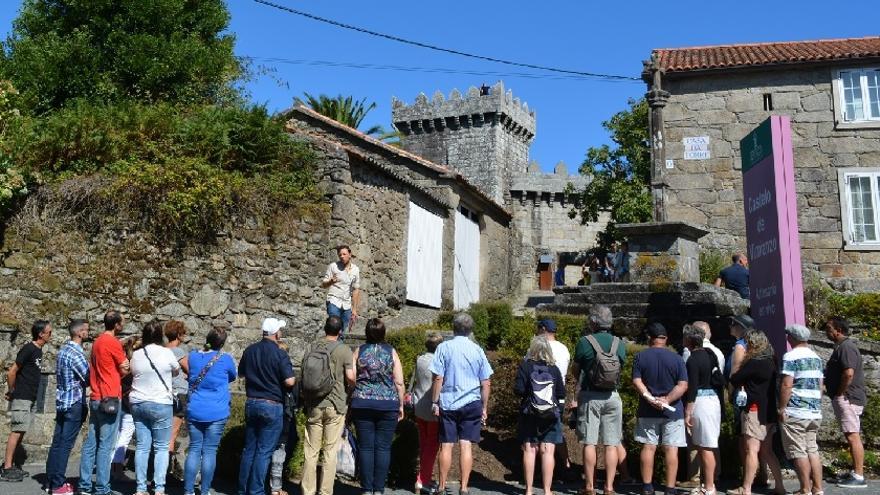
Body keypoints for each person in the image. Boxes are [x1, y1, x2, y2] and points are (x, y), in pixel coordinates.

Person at [430, 313, 493, 495]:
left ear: (453, 327)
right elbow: (486, 382)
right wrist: (484, 407)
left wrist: (435, 401)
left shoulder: (443, 348)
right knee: (466, 445)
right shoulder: (477, 350)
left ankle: (441, 486)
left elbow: (438, 377)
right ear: (470, 329)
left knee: (447, 445)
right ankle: (464, 487)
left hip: (449, 402)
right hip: (472, 402)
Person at [569, 305, 626, 495]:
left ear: (593, 321)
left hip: (590, 396)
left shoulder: (585, 342)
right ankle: (609, 487)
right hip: (613, 396)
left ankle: (589, 487)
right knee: (611, 443)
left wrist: (582, 379)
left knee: (589, 441)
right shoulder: (619, 343)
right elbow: (620, 369)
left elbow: (576, 369)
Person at [237, 317, 296, 495]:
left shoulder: (250, 350)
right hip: (271, 404)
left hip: (252, 402)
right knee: (264, 452)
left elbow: (241, 374)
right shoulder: (280, 353)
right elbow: (290, 381)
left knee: (249, 450)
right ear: (275, 333)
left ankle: (243, 490)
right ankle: (256, 491)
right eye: (280, 330)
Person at [631, 322, 688, 495]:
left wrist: (649, 397)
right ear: (665, 339)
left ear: (650, 338)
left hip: (648, 409)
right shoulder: (677, 358)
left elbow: (636, 380)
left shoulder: (641, 356)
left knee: (649, 447)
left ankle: (647, 487)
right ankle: (670, 488)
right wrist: (667, 400)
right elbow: (683, 384)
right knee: (671, 448)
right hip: (673, 410)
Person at [350, 318, 406, 495]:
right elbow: (399, 381)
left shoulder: (359, 351)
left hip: (362, 402)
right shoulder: (391, 352)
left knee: (365, 447)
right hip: (387, 403)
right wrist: (401, 404)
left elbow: (351, 377)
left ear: (366, 332)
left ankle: (367, 489)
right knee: (383, 448)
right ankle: (379, 489)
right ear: (383, 333)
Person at [300, 316, 355, 495]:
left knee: (311, 451)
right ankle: (325, 492)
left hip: (314, 403)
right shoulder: (344, 350)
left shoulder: (312, 347)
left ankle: (307, 491)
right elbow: (351, 377)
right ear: (340, 331)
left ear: (324, 329)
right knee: (330, 451)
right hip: (336, 405)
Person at [79, 310, 130, 495]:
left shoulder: (97, 342)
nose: (123, 325)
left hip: (96, 396)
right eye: (122, 322)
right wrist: (124, 368)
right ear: (116, 325)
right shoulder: (114, 343)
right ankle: (101, 488)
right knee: (106, 445)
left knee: (91, 442)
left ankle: (84, 486)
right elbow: (125, 368)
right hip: (110, 397)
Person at [728, 331, 784, 495]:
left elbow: (735, 379)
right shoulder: (772, 362)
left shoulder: (754, 362)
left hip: (754, 410)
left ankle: (746, 489)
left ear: (753, 344)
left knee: (751, 450)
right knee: (767, 451)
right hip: (769, 411)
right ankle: (780, 486)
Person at [129, 320, 181, 495]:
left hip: (138, 402)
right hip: (160, 402)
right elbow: (176, 370)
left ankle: (140, 487)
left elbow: (133, 371)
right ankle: (159, 488)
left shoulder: (136, 354)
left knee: (142, 447)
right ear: (161, 335)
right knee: (160, 447)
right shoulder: (166, 353)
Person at [183, 327, 237, 495]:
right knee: (209, 451)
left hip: (195, 409)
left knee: (194, 449)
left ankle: (188, 490)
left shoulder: (193, 356)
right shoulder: (225, 359)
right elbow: (233, 376)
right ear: (222, 343)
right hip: (217, 411)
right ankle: (205, 491)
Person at [1, 320, 51, 482]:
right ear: (40, 334)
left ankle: (12, 464)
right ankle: (6, 468)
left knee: (21, 431)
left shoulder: (38, 351)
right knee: (16, 431)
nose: (51, 335)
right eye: (49, 332)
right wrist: (12, 390)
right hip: (22, 396)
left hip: (30, 397)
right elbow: (12, 372)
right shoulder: (29, 349)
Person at [514, 336, 565, 495]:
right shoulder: (554, 368)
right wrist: (560, 412)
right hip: (550, 415)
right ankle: (547, 490)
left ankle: (528, 490)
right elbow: (561, 393)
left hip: (530, 413)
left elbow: (519, 390)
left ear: (533, 350)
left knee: (530, 450)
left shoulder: (525, 366)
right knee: (547, 452)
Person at [45, 319, 89, 494]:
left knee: (57, 442)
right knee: (65, 444)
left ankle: (51, 480)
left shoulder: (63, 350)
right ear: (79, 332)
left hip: (62, 401)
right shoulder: (76, 353)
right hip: (74, 402)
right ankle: (58, 484)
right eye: (86, 330)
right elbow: (88, 376)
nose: (88, 332)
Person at [778, 324, 824, 495]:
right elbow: (820, 385)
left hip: (797, 410)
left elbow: (786, 384)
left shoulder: (791, 356)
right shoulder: (817, 357)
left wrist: (782, 408)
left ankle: (805, 489)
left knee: (798, 451)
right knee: (812, 449)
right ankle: (818, 488)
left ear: (792, 338)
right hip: (814, 410)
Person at [679, 321, 725, 490]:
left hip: (701, 402)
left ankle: (709, 487)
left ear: (689, 340)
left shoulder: (692, 359)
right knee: (709, 445)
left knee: (704, 448)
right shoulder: (710, 354)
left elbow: (692, 389)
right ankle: (709, 484)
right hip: (713, 398)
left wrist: (687, 412)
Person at [823, 316, 868, 488]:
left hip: (848, 398)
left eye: (829, 328)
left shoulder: (846, 347)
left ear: (838, 330)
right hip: (847, 397)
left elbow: (848, 373)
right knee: (851, 434)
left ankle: (858, 476)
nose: (827, 331)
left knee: (852, 436)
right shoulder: (843, 347)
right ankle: (855, 472)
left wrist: (840, 394)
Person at [408, 332, 443, 495]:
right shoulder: (439, 362)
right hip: (432, 408)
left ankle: (422, 477)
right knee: (432, 446)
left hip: (419, 406)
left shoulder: (420, 359)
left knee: (423, 444)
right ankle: (423, 480)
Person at [270, 342, 298, 495]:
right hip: (283, 414)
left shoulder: (268, 370)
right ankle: (276, 487)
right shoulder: (288, 373)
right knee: (280, 450)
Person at [111, 336, 139, 482]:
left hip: (117, 401)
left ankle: (112, 467)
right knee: (124, 437)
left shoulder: (120, 364)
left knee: (115, 436)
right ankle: (117, 470)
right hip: (129, 405)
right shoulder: (134, 366)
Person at [164, 320, 189, 480]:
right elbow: (191, 370)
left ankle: (162, 470)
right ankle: (165, 473)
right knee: (171, 436)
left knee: (163, 434)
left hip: (164, 394)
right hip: (179, 394)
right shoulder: (178, 351)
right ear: (179, 335)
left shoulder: (161, 350)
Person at [321, 245, 361, 336]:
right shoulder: (333, 266)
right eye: (340, 255)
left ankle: (338, 348)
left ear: (350, 254)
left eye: (344, 254)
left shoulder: (355, 270)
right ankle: (330, 347)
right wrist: (330, 282)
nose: (342, 256)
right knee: (334, 327)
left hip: (346, 304)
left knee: (343, 331)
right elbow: (323, 284)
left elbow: (356, 289)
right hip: (334, 301)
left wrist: (354, 310)